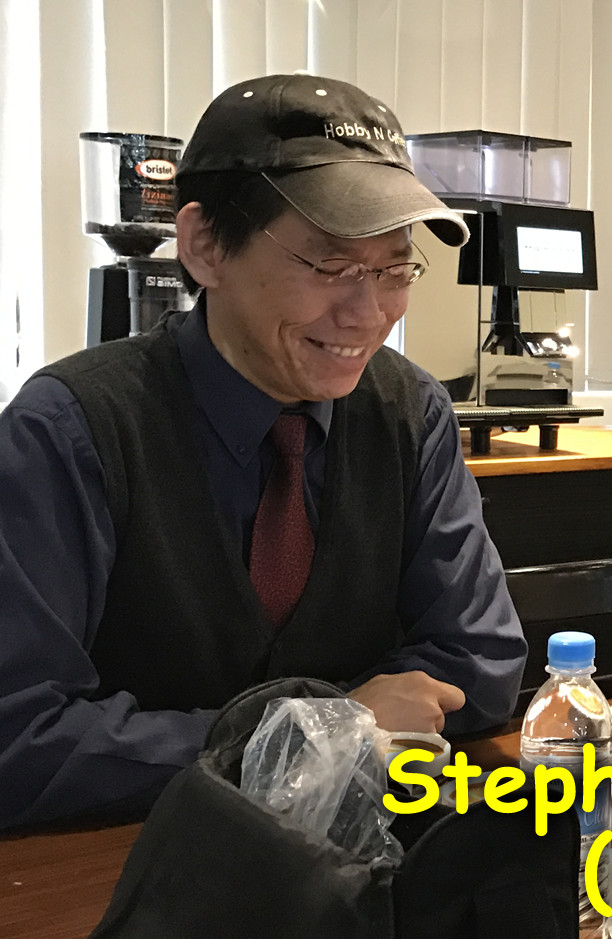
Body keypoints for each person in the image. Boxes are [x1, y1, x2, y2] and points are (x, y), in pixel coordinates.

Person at [0, 75, 528, 831]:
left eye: (393, 268)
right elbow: (20, 740)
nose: (368, 313)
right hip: (139, 865)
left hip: (363, 858)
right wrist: (326, 731)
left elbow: (480, 661)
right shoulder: (70, 432)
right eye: (329, 266)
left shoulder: (408, 412)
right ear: (205, 247)